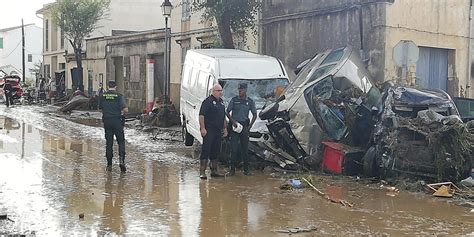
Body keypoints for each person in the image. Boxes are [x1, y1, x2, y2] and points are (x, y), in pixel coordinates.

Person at [226, 83, 257, 176]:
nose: (240, 91)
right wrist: (233, 121)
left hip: (244, 126)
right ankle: (232, 170)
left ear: (245, 90)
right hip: (235, 126)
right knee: (233, 149)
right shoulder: (234, 100)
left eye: (242, 90)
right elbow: (227, 112)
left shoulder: (250, 101)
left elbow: (255, 114)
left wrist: (250, 126)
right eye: (239, 90)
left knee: (245, 149)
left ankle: (246, 170)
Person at [99, 80, 129, 172]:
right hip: (117, 121)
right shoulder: (119, 96)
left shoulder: (102, 96)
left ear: (108, 86)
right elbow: (126, 110)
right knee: (121, 141)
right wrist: (122, 113)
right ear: (115, 87)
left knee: (109, 142)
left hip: (107, 121)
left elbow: (100, 109)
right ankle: (121, 160)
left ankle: (109, 165)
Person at [199, 84, 227, 179]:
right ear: (213, 91)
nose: (220, 92)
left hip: (218, 130)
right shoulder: (207, 102)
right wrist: (203, 128)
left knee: (216, 150)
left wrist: (225, 128)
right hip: (209, 130)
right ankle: (202, 171)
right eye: (218, 91)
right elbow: (201, 115)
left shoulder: (221, 102)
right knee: (206, 150)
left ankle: (214, 170)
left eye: (221, 91)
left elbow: (223, 116)